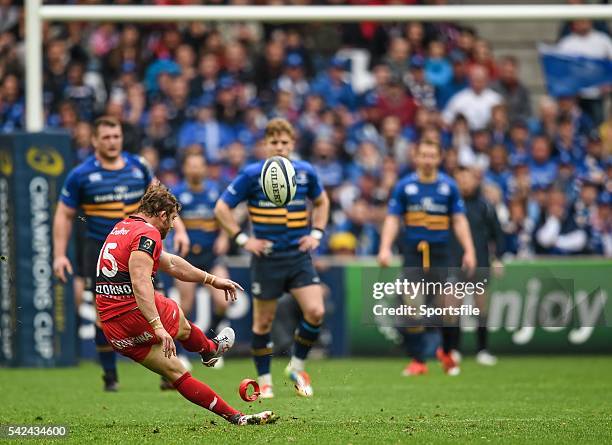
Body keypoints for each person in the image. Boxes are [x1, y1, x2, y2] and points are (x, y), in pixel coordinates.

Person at [96, 184, 275, 425]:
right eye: (172, 219)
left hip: (113, 329)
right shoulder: (148, 234)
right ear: (161, 215)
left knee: (176, 372)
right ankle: (210, 350)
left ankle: (237, 417)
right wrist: (156, 326)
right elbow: (140, 283)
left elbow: (171, 264)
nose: (172, 226)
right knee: (175, 310)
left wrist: (212, 280)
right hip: (133, 314)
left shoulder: (123, 228)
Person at [52, 116, 190, 391]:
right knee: (104, 315)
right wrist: (59, 254)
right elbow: (64, 215)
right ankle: (110, 376)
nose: (112, 142)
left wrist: (181, 230)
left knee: (156, 305)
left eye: (115, 136)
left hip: (141, 249)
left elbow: (162, 199)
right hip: (105, 252)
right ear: (94, 141)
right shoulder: (81, 175)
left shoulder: (138, 166)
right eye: (106, 137)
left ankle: (169, 372)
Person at [215, 118, 330, 398]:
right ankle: (265, 381)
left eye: (284, 142)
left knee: (316, 311)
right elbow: (221, 208)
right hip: (267, 259)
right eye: (274, 142)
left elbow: (322, 201)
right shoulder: (252, 174)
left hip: (298, 256)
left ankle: (296, 366)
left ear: (292, 144)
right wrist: (243, 239)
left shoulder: (305, 172)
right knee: (262, 323)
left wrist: (316, 232)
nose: (279, 147)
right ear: (265, 145)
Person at [377, 139, 476, 376]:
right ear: (416, 157)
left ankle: (448, 353)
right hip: (413, 254)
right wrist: (384, 247)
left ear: (439, 158)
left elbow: (459, 220)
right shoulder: (405, 186)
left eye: (432, 155)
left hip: (443, 253)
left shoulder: (449, 186)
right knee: (413, 308)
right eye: (424, 155)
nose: (428, 160)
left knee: (450, 308)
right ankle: (418, 360)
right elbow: (392, 218)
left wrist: (469, 250)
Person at [171, 151, 232, 363]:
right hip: (187, 257)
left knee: (222, 302)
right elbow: (171, 218)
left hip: (211, 256)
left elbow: (226, 216)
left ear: (205, 168)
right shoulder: (177, 193)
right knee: (185, 306)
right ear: (185, 168)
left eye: (199, 165)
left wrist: (224, 237)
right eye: (192, 165)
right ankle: (179, 354)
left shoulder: (215, 191)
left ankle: (213, 347)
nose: (196, 169)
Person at [450, 167, 506, 366]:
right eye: (460, 179)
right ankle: (453, 350)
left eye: (468, 178)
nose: (464, 183)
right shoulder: (449, 206)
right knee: (452, 308)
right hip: (454, 263)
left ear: (476, 180)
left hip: (481, 262)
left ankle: (483, 349)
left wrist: (498, 258)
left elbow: (498, 235)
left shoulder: (485, 206)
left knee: (481, 308)